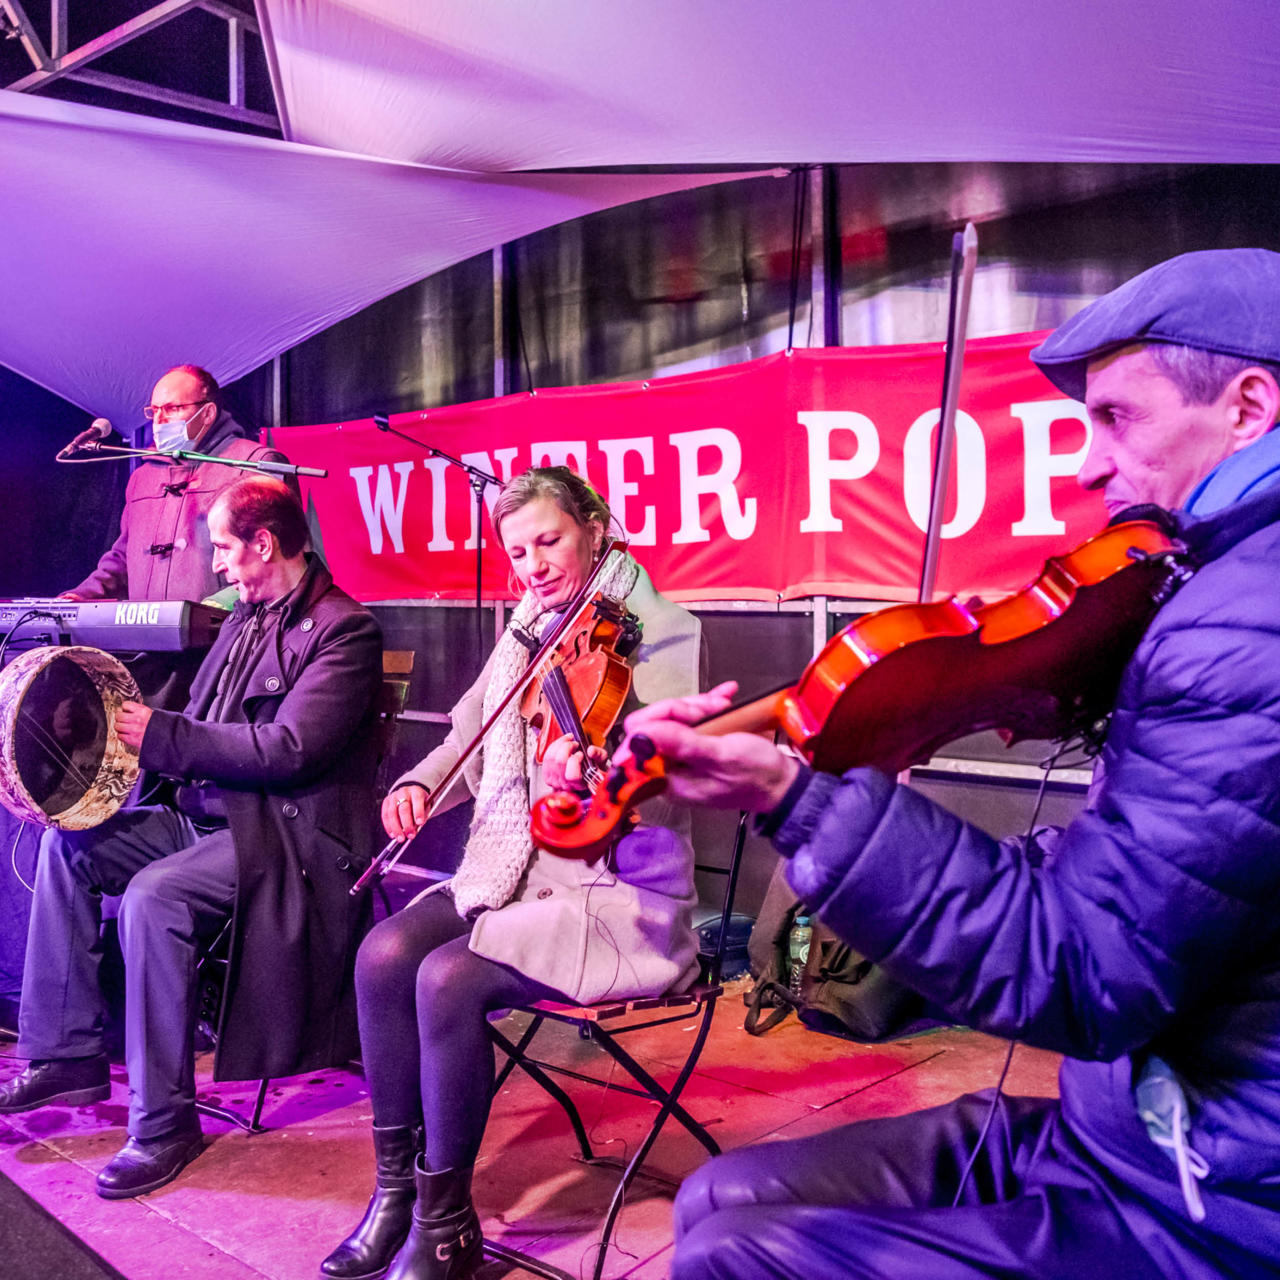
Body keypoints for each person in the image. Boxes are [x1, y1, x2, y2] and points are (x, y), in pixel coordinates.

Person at [620, 248, 1280, 1279]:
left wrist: (796, 798)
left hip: (1210, 1194)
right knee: (719, 1194)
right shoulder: (1214, 581)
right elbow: (1167, 882)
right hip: (1134, 1125)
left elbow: (1088, 972)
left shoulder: (1245, 623)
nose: (1088, 467)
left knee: (737, 1255)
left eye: (1116, 417)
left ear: (1247, 408)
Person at [320, 466, 704, 1280]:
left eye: (548, 542)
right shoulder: (530, 627)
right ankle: (396, 1193)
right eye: (518, 552)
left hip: (614, 894)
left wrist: (598, 768)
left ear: (595, 529)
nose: (533, 565)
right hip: (516, 872)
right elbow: (471, 724)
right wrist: (422, 781)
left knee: (447, 979)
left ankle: (445, 1224)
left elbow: (668, 766)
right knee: (383, 955)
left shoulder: (663, 626)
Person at [0, 476, 382, 1199]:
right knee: (70, 848)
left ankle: (164, 1124)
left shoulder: (344, 629)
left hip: (279, 836)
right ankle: (67, 1052)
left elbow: (291, 749)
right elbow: (195, 718)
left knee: (156, 896)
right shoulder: (245, 616)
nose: (216, 563)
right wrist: (102, 721)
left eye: (224, 547)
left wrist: (165, 734)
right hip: (206, 817)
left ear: (264, 543)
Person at [62, 363, 293, 603]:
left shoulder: (255, 464)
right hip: (147, 627)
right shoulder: (143, 477)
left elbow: (279, 562)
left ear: (207, 413)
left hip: (226, 624)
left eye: (173, 408)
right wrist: (80, 596)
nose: (160, 420)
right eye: (154, 410)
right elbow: (123, 558)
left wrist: (220, 606)